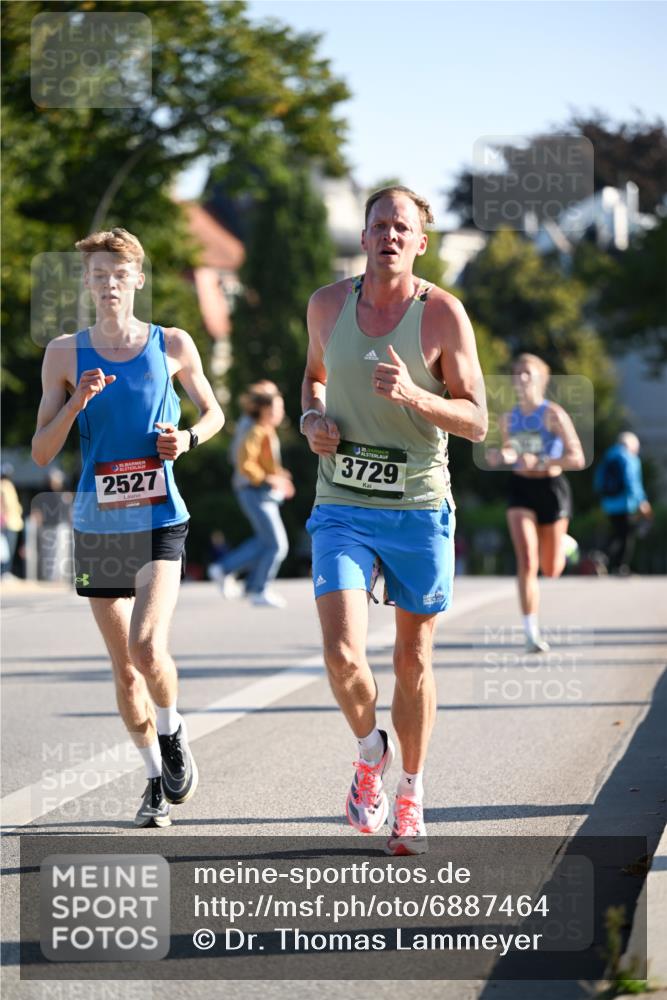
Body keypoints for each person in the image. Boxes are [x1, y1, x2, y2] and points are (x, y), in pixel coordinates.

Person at [301, 186, 487, 855]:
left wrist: (413, 395)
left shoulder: (442, 316)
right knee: (343, 652)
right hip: (342, 503)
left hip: (415, 506)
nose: (388, 235)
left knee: (411, 661)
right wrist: (311, 418)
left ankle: (410, 789)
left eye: (400, 227)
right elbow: (313, 378)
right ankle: (368, 751)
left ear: (420, 241)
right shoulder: (327, 304)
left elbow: (475, 419)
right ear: (363, 234)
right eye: (378, 223)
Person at [32, 227, 224, 827]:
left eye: (120, 274)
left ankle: (172, 734)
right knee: (123, 667)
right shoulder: (65, 353)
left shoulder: (172, 344)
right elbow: (40, 452)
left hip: (160, 514)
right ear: (85, 283)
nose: (109, 284)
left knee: (147, 646)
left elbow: (213, 412)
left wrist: (187, 438)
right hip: (98, 520)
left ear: (138, 279)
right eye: (98, 275)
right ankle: (153, 782)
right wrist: (75, 404)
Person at [487, 354, 585, 653]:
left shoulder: (553, 414)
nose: (521, 378)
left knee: (551, 568)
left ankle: (566, 544)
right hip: (521, 490)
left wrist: (542, 460)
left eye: (527, 372)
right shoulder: (508, 419)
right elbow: (509, 452)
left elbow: (577, 459)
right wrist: (500, 457)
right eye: (516, 373)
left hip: (551, 489)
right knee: (527, 560)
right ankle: (530, 632)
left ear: (541, 379)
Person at [209, 382, 293, 607]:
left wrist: (281, 478)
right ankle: (256, 588)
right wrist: (269, 479)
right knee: (277, 544)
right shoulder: (254, 429)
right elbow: (245, 463)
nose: (281, 413)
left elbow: (266, 464)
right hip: (255, 492)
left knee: (267, 542)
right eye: (277, 408)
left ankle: (236, 576)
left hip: (262, 492)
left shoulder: (265, 429)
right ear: (265, 409)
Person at [595, 431, 652, 575]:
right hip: (626, 503)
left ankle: (603, 558)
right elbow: (632, 482)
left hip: (609, 503)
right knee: (626, 535)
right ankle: (619, 566)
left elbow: (598, 482)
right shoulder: (629, 458)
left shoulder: (609, 456)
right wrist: (641, 501)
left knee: (617, 532)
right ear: (632, 445)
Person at [0, 464, 23, 578]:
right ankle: (4, 572)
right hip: (7, 522)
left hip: (14, 522)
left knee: (9, 549)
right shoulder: (3, 486)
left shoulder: (9, 486)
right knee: (6, 549)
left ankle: (6, 571)